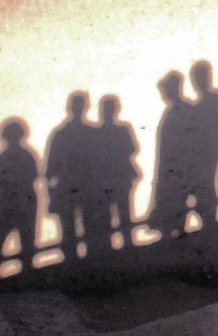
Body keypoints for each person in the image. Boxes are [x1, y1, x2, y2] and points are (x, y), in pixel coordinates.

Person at [45, 92, 99, 260]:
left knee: (74, 231)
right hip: (81, 188)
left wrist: (52, 193)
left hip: (73, 188)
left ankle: (75, 266)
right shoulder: (91, 133)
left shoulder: (60, 134)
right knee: (83, 230)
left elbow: (50, 170)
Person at [149, 72, 193, 238]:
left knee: (177, 202)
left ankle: (177, 233)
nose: (163, 96)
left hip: (179, 168)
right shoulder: (170, 112)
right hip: (168, 168)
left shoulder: (183, 110)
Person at [188, 61, 218, 226]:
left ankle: (209, 219)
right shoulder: (208, 100)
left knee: (206, 181)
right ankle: (209, 218)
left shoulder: (210, 99)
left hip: (208, 147)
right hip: (209, 147)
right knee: (207, 182)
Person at [95, 95, 139, 249]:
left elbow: (133, 149)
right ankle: (120, 244)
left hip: (117, 177)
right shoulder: (120, 129)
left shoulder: (106, 131)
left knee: (121, 211)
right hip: (112, 178)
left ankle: (125, 243)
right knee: (116, 212)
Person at [0, 119, 38, 269]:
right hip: (9, 204)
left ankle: (27, 274)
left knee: (27, 242)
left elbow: (32, 176)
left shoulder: (24, 156)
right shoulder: (5, 157)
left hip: (21, 202)